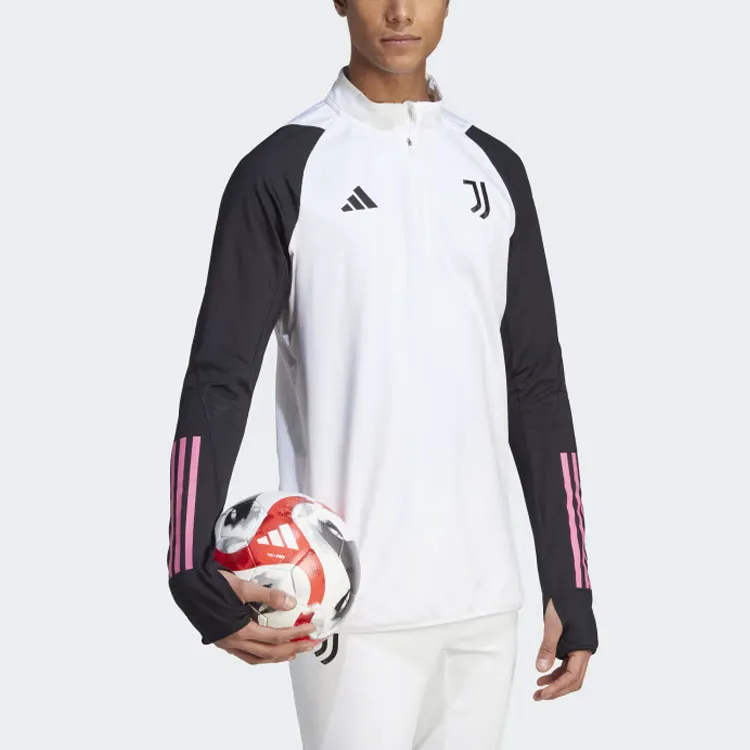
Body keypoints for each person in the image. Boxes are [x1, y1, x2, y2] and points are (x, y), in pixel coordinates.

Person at [166, 1, 598, 747]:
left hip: (485, 603)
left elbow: (537, 384)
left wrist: (570, 579)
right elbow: (218, 378)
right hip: (346, 608)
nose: (400, 11)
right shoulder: (285, 168)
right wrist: (187, 568)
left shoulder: (495, 168)